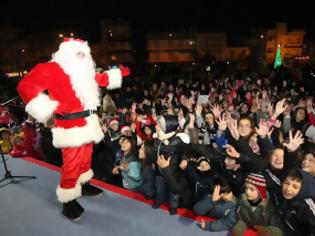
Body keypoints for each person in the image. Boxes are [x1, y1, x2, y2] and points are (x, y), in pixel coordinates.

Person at [17, 38, 130, 220]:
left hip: (88, 122)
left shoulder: (84, 69)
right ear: (66, 52)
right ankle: (68, 201)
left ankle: (84, 185)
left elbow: (99, 78)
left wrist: (116, 74)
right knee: (71, 163)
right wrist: (45, 108)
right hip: (69, 126)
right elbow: (25, 86)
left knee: (86, 158)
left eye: (83, 52)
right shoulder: (52, 68)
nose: (81, 55)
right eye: (77, 52)